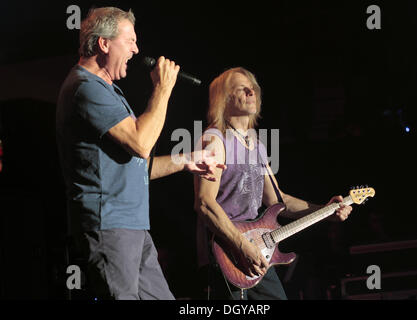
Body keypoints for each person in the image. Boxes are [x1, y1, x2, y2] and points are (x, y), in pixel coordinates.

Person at [56, 7, 223, 300]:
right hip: (109, 225)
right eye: (130, 40)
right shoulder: (85, 87)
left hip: (132, 226)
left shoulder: (107, 90)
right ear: (104, 43)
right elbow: (141, 143)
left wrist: (186, 160)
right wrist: (163, 89)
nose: (136, 49)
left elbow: (138, 163)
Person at [193, 67, 353, 300]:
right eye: (242, 88)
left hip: (257, 248)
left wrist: (326, 211)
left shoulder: (255, 144)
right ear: (224, 98)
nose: (251, 91)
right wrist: (241, 246)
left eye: (253, 88)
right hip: (227, 252)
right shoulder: (215, 139)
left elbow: (279, 201)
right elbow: (204, 204)